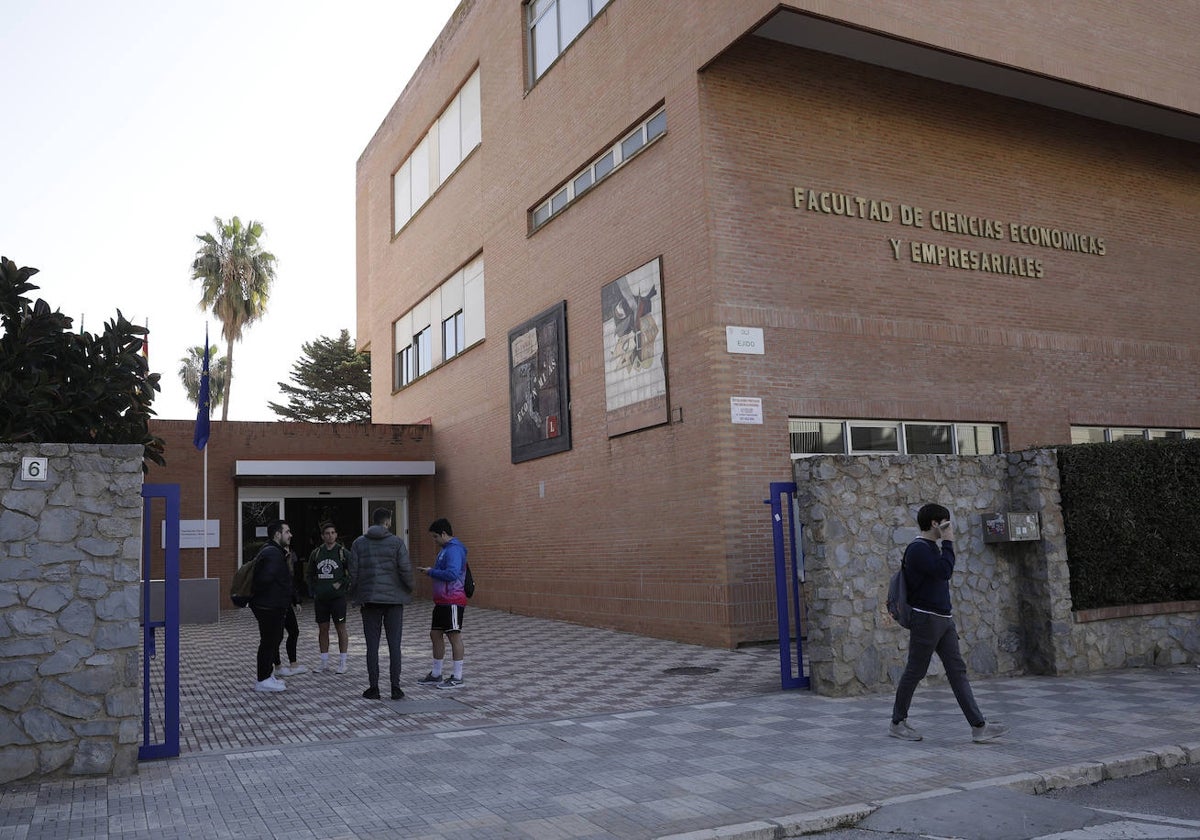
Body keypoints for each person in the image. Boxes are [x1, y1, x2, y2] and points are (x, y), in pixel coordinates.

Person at [890, 503, 1010, 744]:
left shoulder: (931, 548)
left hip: (944, 619)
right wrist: (948, 541)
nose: (949, 527)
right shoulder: (918, 549)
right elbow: (944, 571)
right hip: (926, 618)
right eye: (945, 522)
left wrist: (944, 544)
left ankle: (979, 726)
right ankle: (897, 722)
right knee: (916, 670)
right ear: (935, 523)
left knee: (957, 671)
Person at [348, 507, 413, 700]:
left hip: (370, 601)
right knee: (394, 645)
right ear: (388, 521)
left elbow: (353, 572)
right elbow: (405, 570)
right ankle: (395, 688)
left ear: (373, 520)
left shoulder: (359, 543)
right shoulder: (397, 543)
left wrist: (355, 594)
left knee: (372, 646)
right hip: (393, 601)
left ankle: (373, 688)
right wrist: (408, 589)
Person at [416, 518, 468, 689]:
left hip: (452, 600)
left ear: (444, 534)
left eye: (435, 537)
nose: (435, 540)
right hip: (441, 601)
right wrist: (432, 572)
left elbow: (452, 574)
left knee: (454, 635)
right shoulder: (445, 550)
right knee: (435, 634)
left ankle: (457, 676)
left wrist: (431, 572)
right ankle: (437, 673)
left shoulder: (454, 550)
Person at [249, 519, 293, 693]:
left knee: (273, 640)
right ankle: (263, 679)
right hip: (269, 606)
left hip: (269, 604)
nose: (290, 535)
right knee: (269, 641)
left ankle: (267, 675)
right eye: (287, 531)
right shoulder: (273, 554)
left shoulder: (272, 551)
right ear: (277, 534)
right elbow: (265, 579)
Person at [307, 521, 351, 674]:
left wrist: (342, 583)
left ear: (336, 535)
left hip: (338, 599)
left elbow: (353, 572)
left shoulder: (343, 552)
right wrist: (314, 590)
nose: (330, 536)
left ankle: (343, 662)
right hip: (321, 599)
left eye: (333, 533)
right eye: (327, 533)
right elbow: (309, 574)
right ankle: (324, 662)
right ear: (322, 536)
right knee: (323, 629)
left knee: (341, 628)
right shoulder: (317, 553)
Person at [273, 547, 307, 679]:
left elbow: (290, 585)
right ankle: (278, 666)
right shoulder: (275, 565)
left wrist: (296, 601)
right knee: (277, 635)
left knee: (294, 631)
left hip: (286, 603)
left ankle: (293, 664)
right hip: (277, 605)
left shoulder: (287, 568)